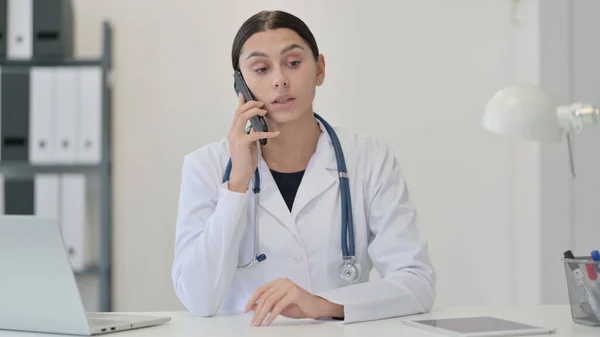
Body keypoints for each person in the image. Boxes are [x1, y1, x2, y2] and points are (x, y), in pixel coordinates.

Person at [171, 10, 436, 326]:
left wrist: (323, 304)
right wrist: (236, 185)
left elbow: (417, 283)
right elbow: (198, 299)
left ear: (320, 69)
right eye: (261, 68)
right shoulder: (206, 167)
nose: (279, 79)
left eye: (293, 63)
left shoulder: (369, 159)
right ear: (239, 85)